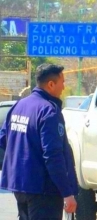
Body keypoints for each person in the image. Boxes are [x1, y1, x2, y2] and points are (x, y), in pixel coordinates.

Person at [0, 64, 78, 219]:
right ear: (51, 84)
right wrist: (67, 192)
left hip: (19, 186)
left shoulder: (18, 106)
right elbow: (53, 155)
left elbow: (4, 140)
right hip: (43, 191)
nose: (64, 87)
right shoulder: (48, 111)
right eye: (62, 82)